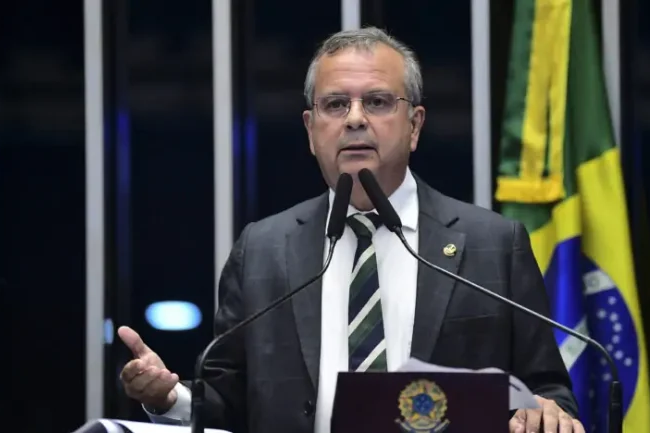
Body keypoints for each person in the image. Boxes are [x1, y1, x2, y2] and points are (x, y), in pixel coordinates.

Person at [117, 27, 585, 433]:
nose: (355, 118)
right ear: (310, 128)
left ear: (415, 125)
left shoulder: (493, 244)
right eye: (336, 104)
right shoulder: (262, 250)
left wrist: (546, 412)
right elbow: (227, 405)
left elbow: (548, 391)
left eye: (378, 102)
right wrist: (170, 397)